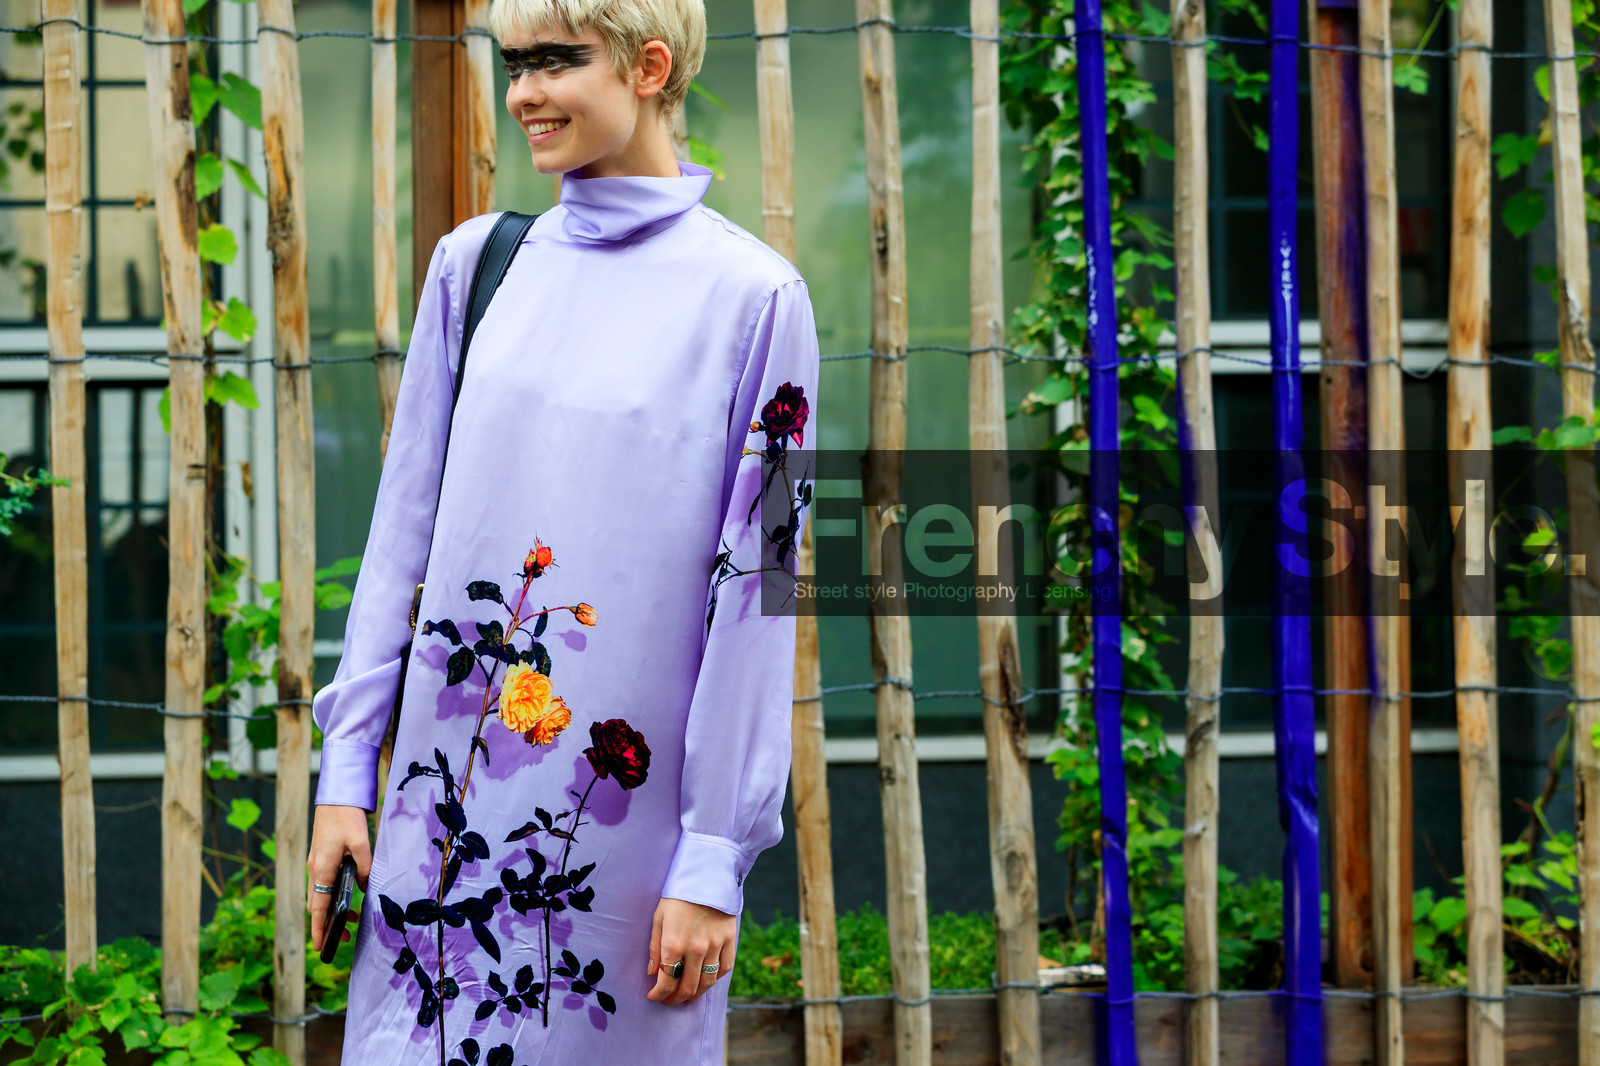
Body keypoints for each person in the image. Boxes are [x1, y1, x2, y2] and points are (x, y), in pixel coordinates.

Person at [304, 0, 819, 1059]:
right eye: (514, 63)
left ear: (649, 66)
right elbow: (401, 533)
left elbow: (761, 592)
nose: (524, 92)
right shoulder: (475, 268)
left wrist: (713, 856)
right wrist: (347, 771)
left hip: (624, 851)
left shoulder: (757, 302)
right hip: (435, 833)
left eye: (554, 60)